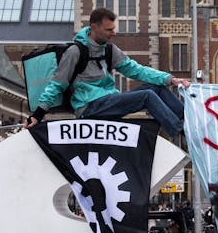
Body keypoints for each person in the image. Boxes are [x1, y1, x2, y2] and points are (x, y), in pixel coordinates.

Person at [24, 7, 191, 138]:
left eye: (113, 28)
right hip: (89, 107)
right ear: (94, 27)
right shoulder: (75, 52)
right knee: (147, 96)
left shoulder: (109, 50)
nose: (114, 33)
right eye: (109, 29)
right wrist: (37, 115)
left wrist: (170, 79)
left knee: (156, 88)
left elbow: (136, 70)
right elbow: (56, 84)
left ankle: (189, 120)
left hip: (108, 100)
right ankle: (181, 131)